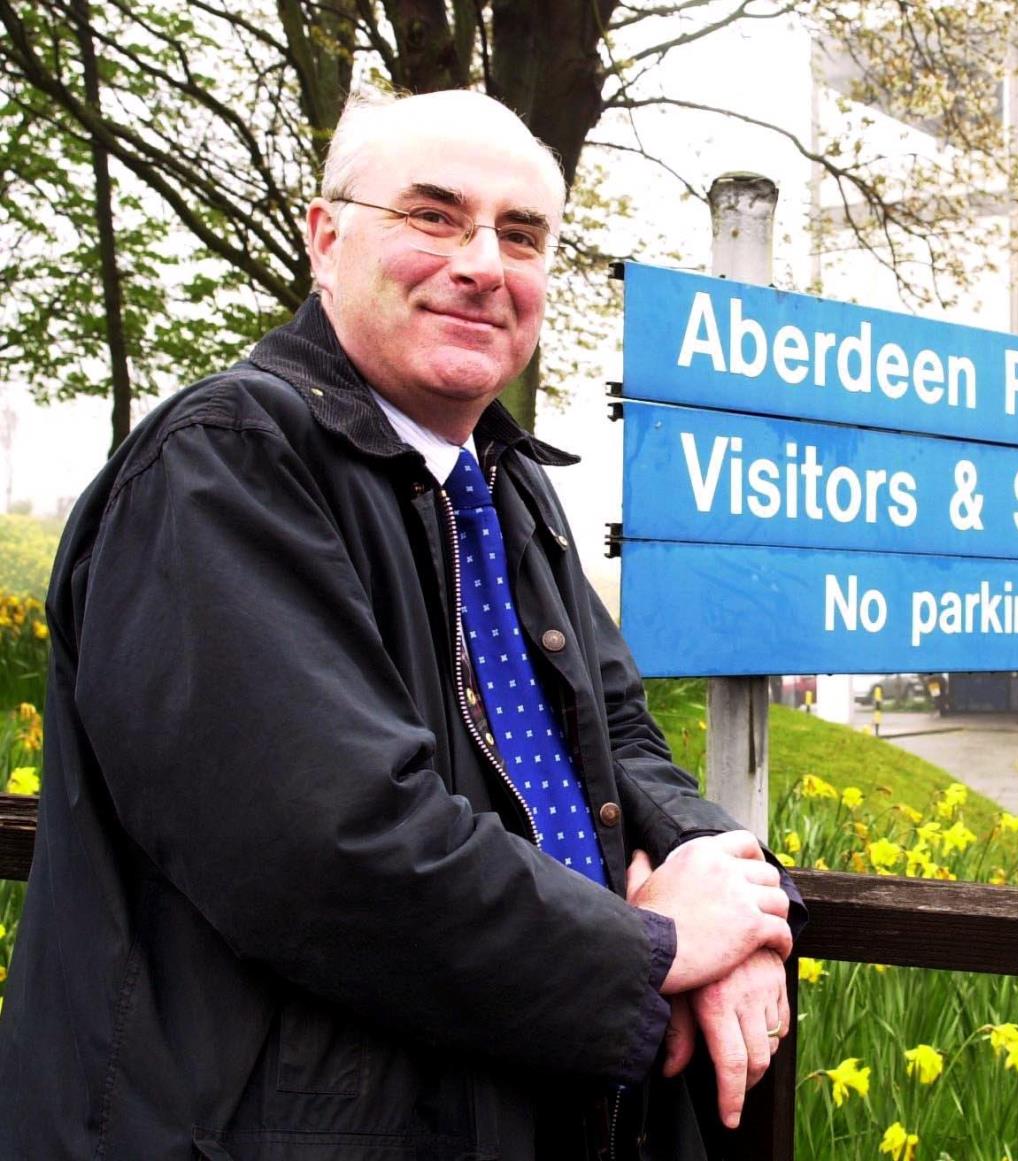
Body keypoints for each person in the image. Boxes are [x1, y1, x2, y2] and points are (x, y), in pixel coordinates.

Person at [0, 89, 802, 1160]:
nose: (483, 262)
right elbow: (336, 848)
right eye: (434, 216)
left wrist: (723, 885)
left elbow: (620, 736)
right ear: (325, 239)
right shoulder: (224, 464)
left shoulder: (503, 487)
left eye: (522, 235)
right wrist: (653, 949)